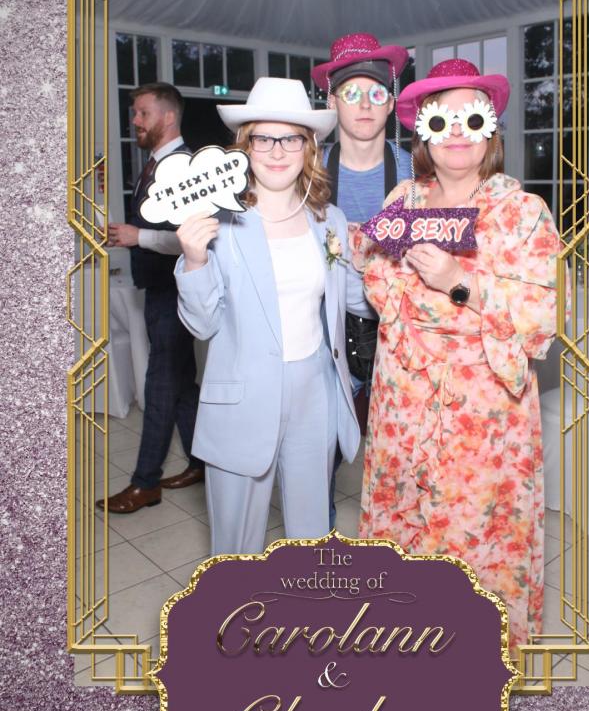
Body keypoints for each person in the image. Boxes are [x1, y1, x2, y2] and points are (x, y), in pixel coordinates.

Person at [354, 58, 561, 651]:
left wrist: (456, 283)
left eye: (471, 119)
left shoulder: (522, 213)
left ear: (490, 129)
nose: (457, 134)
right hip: (403, 401)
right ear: (423, 133)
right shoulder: (404, 198)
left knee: (473, 530)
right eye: (440, 122)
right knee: (405, 522)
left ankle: (476, 658)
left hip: (482, 414)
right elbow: (376, 276)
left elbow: (541, 314)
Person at [174, 77, 369, 555]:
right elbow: (202, 325)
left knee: (310, 538)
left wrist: (390, 272)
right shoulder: (217, 222)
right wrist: (194, 261)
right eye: (264, 138)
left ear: (309, 147)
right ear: (245, 146)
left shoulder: (330, 220)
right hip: (241, 400)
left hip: (315, 394)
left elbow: (356, 302)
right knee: (235, 548)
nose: (277, 151)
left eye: (291, 139)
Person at [311, 33, 412, 522]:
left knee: (405, 456)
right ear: (332, 103)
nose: (365, 104)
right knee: (318, 453)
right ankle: (315, 543)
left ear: (391, 103)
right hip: (324, 330)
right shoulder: (308, 173)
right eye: (351, 93)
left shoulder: (416, 173)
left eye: (375, 93)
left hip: (399, 334)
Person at [97, 82, 204, 515]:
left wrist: (137, 236)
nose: (135, 121)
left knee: (159, 384)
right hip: (161, 291)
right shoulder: (156, 163)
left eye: (143, 113)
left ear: (168, 117)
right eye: (135, 113)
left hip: (177, 292)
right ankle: (201, 462)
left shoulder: (184, 167)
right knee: (181, 384)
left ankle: (145, 484)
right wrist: (134, 237)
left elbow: (192, 240)